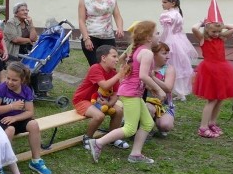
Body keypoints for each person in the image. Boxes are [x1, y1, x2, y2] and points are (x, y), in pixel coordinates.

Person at [87, 21, 165, 165]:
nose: (158, 35)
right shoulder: (146, 52)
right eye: (156, 33)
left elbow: (143, 75)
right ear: (148, 37)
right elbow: (143, 75)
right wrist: (159, 90)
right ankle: (98, 143)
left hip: (131, 92)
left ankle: (135, 154)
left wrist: (154, 87)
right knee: (129, 128)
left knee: (147, 123)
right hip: (131, 93)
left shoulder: (138, 49)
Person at [0, 61, 53, 174]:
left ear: (22, 80)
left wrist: (15, 117)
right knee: (10, 130)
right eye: (8, 78)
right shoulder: (1, 88)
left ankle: (36, 161)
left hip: (14, 118)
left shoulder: (26, 90)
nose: (9, 82)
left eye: (14, 80)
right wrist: (11, 107)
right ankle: (0, 165)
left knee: (33, 124)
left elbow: (30, 112)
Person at [192, 0, 233, 138]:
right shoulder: (203, 39)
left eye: (219, 31)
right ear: (207, 30)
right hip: (210, 70)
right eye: (214, 31)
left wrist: (219, 25)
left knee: (220, 98)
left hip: (222, 70)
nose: (217, 34)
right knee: (212, 99)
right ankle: (203, 127)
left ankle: (212, 122)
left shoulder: (221, 38)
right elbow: (194, 28)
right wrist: (203, 22)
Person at [72, 45, 127, 149]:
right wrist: (120, 75)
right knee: (99, 116)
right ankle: (87, 138)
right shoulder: (95, 68)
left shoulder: (113, 73)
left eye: (117, 57)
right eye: (114, 56)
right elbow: (104, 85)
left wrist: (109, 104)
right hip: (82, 100)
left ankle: (113, 138)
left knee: (119, 111)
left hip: (101, 101)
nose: (117, 59)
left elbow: (116, 93)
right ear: (103, 58)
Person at [159, 0, 196, 100]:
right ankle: (181, 91)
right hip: (180, 40)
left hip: (172, 41)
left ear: (172, 3)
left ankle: (177, 90)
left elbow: (167, 31)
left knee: (173, 64)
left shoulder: (168, 15)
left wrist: (161, 41)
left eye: (164, 2)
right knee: (181, 64)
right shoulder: (177, 13)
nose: (162, 4)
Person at [78, 0, 124, 66]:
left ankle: (109, 81)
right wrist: (86, 39)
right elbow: (81, 20)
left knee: (110, 65)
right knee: (96, 66)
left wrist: (120, 28)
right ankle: (97, 81)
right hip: (91, 37)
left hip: (108, 36)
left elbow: (117, 15)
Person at [145, 42, 176, 135]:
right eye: (164, 53)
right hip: (146, 102)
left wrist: (153, 77)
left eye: (167, 53)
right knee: (148, 108)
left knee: (165, 125)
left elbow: (168, 88)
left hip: (163, 105)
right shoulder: (144, 66)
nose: (167, 57)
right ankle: (145, 129)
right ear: (153, 55)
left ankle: (157, 120)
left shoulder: (169, 69)